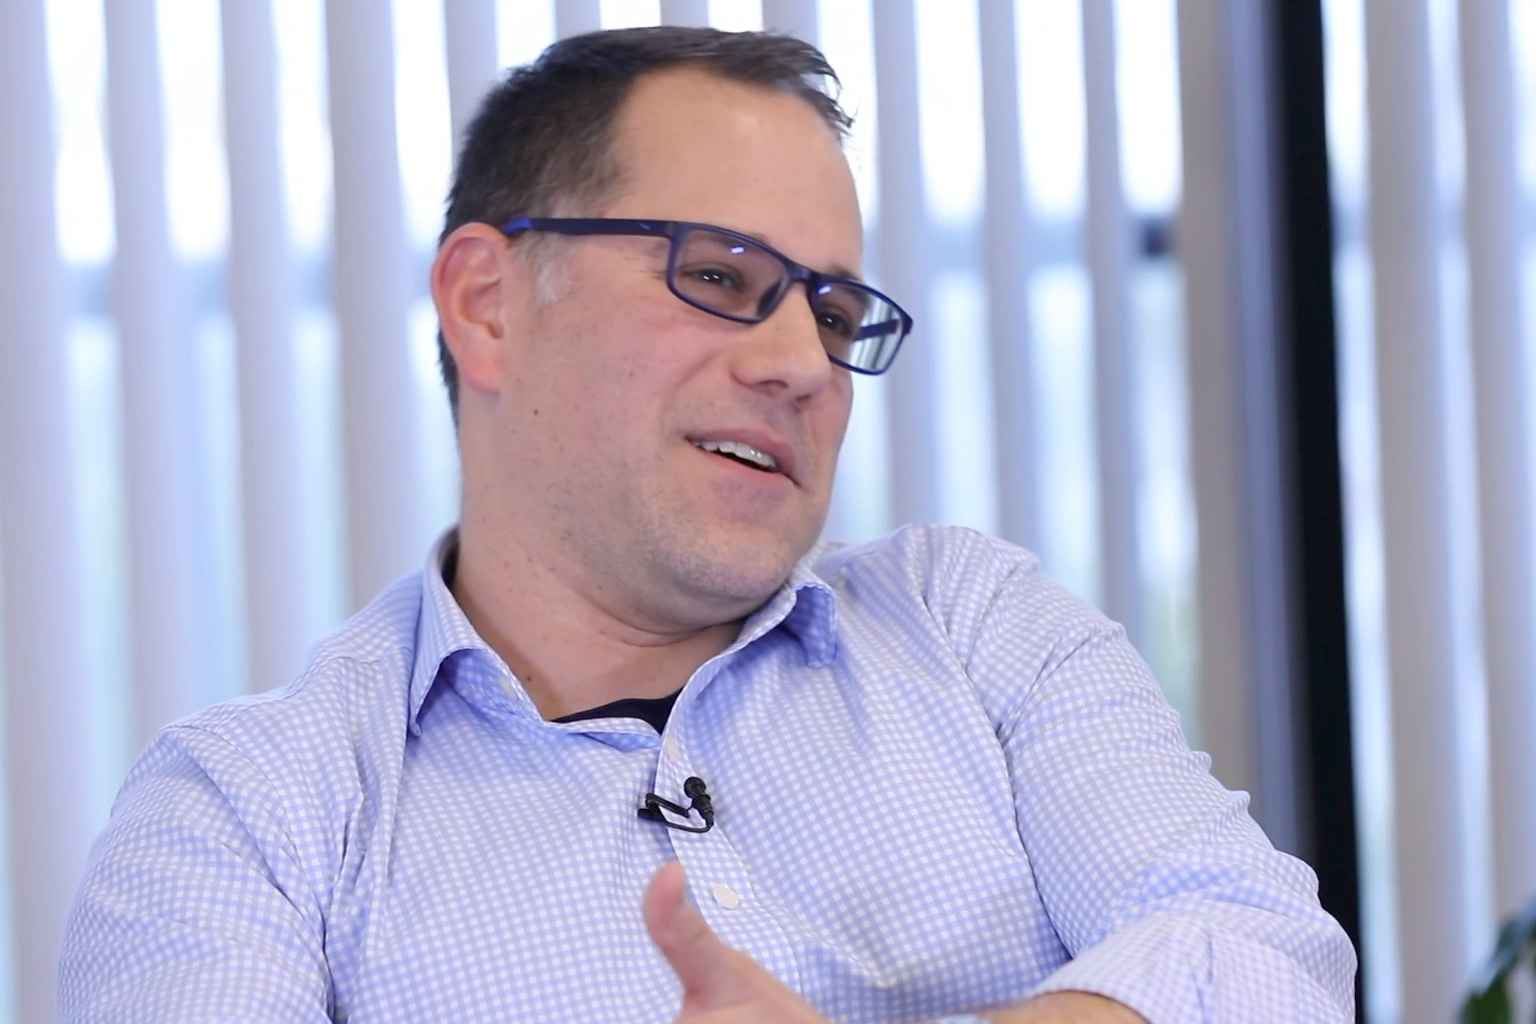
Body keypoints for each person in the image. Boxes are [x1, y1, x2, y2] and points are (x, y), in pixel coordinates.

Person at [58, 26, 1355, 1024]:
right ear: (489, 303)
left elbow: (1264, 954)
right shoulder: (246, 816)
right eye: (719, 277)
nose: (800, 363)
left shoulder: (971, 625)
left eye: (834, 314)